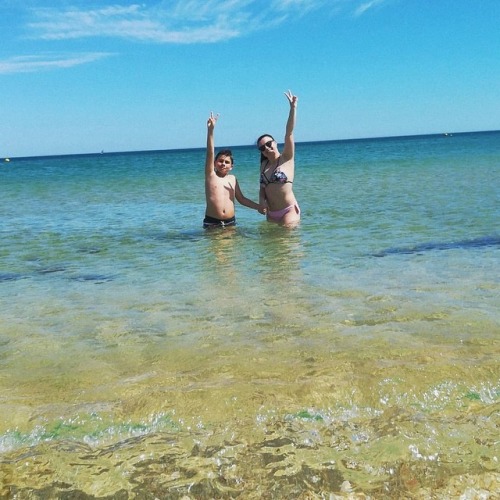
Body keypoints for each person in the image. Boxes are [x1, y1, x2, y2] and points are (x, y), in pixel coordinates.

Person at [204, 112, 264, 228]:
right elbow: (210, 152)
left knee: (231, 247)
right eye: (220, 161)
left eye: (227, 162)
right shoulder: (211, 175)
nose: (223, 164)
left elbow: (241, 199)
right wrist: (211, 130)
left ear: (231, 166)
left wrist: (258, 207)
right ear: (214, 163)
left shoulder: (233, 179)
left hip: (230, 222)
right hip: (212, 222)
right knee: (214, 247)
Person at [257, 90, 300, 226]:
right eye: (262, 147)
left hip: (288, 211)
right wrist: (261, 201)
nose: (267, 148)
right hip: (271, 214)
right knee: (272, 247)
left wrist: (293, 108)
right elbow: (262, 188)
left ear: (275, 143)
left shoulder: (286, 158)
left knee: (287, 245)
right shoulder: (264, 166)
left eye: (269, 144)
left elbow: (289, 133)